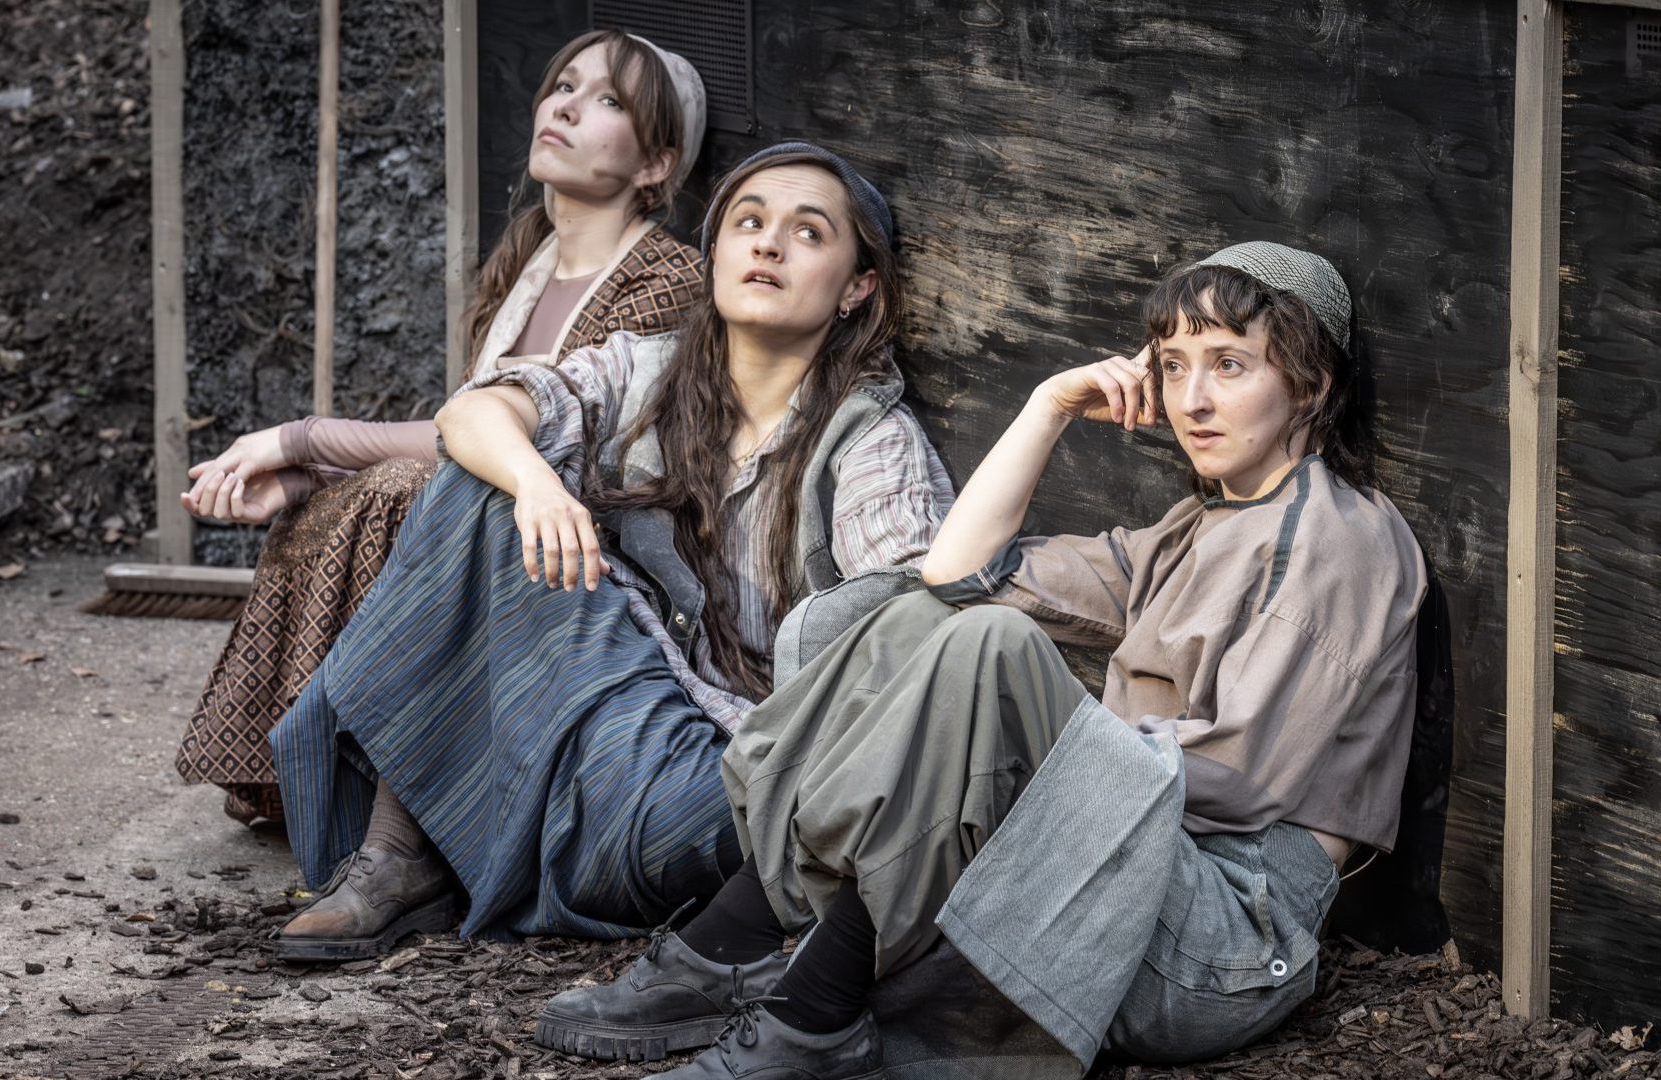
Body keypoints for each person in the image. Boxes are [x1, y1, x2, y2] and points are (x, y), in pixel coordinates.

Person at [538, 242, 1426, 1079]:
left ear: (1309, 383)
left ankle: (795, 998)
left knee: (989, 653)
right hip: (1124, 879)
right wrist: (1049, 404)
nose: (1191, 399)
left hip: (1216, 944)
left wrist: (1002, 762)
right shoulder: (1192, 529)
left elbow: (1237, 783)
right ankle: (751, 958)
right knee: (900, 616)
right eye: (1173, 364)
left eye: (1229, 365)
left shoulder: (1333, 541)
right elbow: (955, 570)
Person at [265, 141, 956, 964]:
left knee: (751, 811)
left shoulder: (871, 441)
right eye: (749, 223)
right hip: (591, 709)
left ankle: (474, 848)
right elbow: (473, 415)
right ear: (715, 257)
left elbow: (911, 624)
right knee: (479, 485)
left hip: (713, 778)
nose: (769, 244)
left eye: (808, 234)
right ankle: (401, 855)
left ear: (857, 287)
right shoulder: (645, 369)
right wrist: (539, 486)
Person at [173, 29, 709, 826]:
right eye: (562, 84)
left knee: (395, 490)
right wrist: (306, 479)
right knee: (363, 493)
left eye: (606, 101)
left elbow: (533, 444)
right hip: (506, 512)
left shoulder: (667, 280)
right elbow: (466, 429)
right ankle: (317, 784)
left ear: (656, 164)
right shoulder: (527, 259)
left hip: (596, 551)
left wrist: (305, 439)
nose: (564, 104)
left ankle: (400, 812)